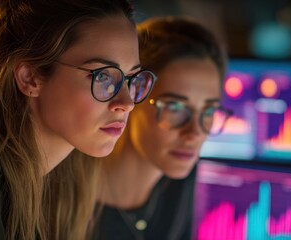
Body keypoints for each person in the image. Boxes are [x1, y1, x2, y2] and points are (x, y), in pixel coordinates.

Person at [0, 0, 157, 239]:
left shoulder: (63, 186)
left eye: (131, 78)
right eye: (103, 77)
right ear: (30, 78)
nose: (127, 103)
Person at [92, 16, 232, 240]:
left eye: (208, 111)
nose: (194, 133)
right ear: (131, 97)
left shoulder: (179, 175)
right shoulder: (63, 204)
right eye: (175, 107)